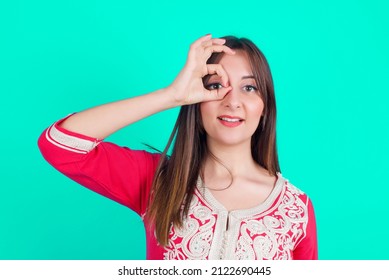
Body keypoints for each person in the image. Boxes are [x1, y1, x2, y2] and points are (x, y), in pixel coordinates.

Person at [38, 34, 318, 260]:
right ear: (196, 101)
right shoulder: (158, 180)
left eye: (249, 88)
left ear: (265, 106)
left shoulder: (296, 209)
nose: (232, 101)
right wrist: (172, 96)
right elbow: (60, 144)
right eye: (216, 85)